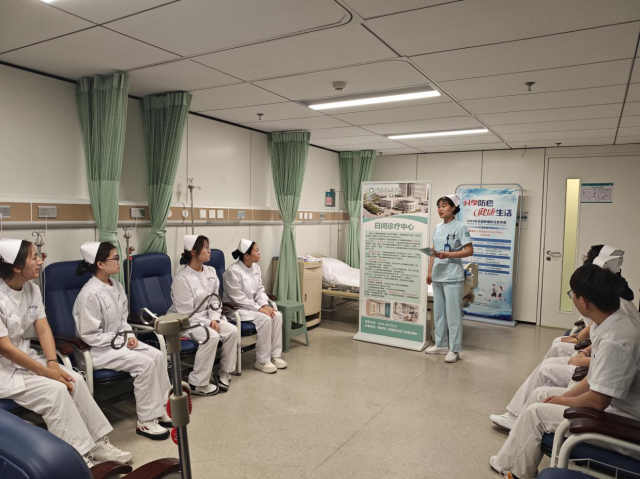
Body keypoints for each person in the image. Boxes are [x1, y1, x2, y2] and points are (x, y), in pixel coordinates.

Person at [489, 264, 640, 478]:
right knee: (540, 394)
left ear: (584, 301)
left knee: (535, 412)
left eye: (573, 294)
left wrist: (563, 401)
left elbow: (598, 401)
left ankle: (514, 470)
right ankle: (510, 458)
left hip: (624, 418)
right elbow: (595, 378)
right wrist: (566, 396)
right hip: (614, 402)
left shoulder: (616, 341)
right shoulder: (611, 320)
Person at [0, 238, 132, 466]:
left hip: (25, 359)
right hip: (4, 370)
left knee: (75, 380)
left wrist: (52, 362)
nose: (40, 261)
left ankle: (97, 444)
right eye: (34, 257)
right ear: (17, 267)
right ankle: (77, 458)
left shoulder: (31, 289)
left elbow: (43, 328)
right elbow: (5, 348)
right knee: (57, 391)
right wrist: (47, 372)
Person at [73, 242, 171, 440]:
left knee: (157, 355)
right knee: (144, 364)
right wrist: (120, 339)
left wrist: (130, 336)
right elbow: (89, 335)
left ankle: (160, 408)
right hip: (98, 350)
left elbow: (122, 320)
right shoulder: (89, 294)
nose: (119, 261)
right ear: (100, 264)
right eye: (115, 258)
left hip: (120, 342)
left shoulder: (116, 286)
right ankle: (146, 421)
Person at [169, 235, 238, 394]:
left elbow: (215, 300)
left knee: (232, 331)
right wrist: (209, 323)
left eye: (209, 246)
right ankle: (197, 383)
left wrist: (214, 318)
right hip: (185, 323)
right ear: (193, 252)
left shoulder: (211, 272)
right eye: (205, 247)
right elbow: (186, 314)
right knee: (211, 336)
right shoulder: (182, 279)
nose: (209, 250)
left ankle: (224, 372)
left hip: (207, 318)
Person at [223, 239, 285, 374]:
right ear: (246, 255)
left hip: (254, 307)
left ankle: (275, 356)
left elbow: (260, 290)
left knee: (277, 315)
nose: (259, 253)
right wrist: (259, 309)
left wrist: (264, 304)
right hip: (237, 309)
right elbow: (239, 299)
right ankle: (262, 360)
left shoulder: (256, 268)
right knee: (265, 319)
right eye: (256, 251)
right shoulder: (232, 271)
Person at [425, 194, 474, 363]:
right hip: (438, 274)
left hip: (453, 275)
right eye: (439, 206)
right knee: (438, 312)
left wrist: (448, 255)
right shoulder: (437, 227)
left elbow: (469, 250)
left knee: (452, 314)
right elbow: (434, 251)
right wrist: (430, 272)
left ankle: (454, 349)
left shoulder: (460, 227)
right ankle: (440, 344)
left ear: (453, 208)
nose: (440, 209)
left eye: (444, 206)